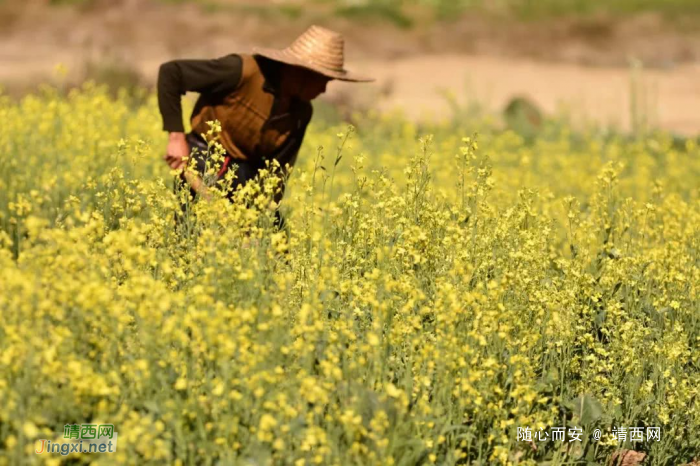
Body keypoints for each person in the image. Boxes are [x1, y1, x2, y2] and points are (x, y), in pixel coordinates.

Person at [157, 25, 373, 231]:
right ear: (301, 72)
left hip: (246, 174)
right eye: (322, 80)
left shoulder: (301, 113)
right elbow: (171, 74)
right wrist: (176, 139)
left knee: (273, 243)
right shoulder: (243, 70)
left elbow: (276, 174)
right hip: (205, 160)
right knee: (194, 233)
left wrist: (259, 220)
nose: (324, 90)